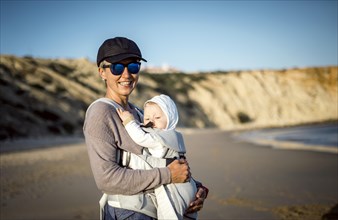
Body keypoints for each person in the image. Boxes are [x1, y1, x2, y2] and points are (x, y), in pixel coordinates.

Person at [83, 37, 208, 220]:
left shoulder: (143, 115)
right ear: (102, 72)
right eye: (117, 67)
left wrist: (195, 187)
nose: (126, 75)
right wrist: (169, 175)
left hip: (156, 209)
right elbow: (107, 179)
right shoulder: (100, 113)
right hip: (129, 213)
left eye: (133, 66)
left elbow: (164, 159)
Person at [116, 94, 198, 220]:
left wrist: (129, 121)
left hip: (173, 188)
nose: (151, 121)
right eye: (147, 117)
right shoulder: (174, 137)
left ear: (170, 118)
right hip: (187, 186)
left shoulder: (159, 138)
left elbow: (140, 138)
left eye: (158, 117)